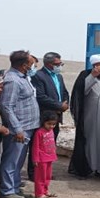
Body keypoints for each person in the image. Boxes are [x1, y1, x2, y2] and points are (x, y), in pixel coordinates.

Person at [0, 50, 39, 198]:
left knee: (18, 160)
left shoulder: (22, 78)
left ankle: (15, 187)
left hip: (28, 126)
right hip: (19, 128)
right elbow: (7, 106)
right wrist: (17, 129)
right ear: (24, 65)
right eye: (31, 63)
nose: (32, 66)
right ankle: (7, 190)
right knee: (11, 159)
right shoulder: (13, 80)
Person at [71, 54, 100, 178]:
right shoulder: (86, 75)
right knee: (90, 143)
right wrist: (93, 76)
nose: (99, 68)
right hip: (89, 117)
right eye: (96, 65)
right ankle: (88, 168)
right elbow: (80, 92)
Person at [29, 51, 69, 180]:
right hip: (44, 117)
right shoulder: (38, 76)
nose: (59, 66)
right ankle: (34, 173)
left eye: (60, 63)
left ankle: (46, 171)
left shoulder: (59, 77)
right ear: (48, 64)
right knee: (38, 146)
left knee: (50, 145)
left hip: (55, 118)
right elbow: (40, 96)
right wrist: (58, 105)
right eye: (57, 64)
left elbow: (64, 92)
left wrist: (65, 103)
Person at [32, 111, 59, 198]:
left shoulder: (51, 131)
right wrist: (35, 158)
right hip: (41, 158)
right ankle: (39, 193)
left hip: (49, 157)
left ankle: (45, 190)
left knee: (48, 176)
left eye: (53, 124)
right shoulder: (39, 132)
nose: (51, 126)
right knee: (40, 176)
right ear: (44, 122)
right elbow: (36, 146)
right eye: (49, 124)